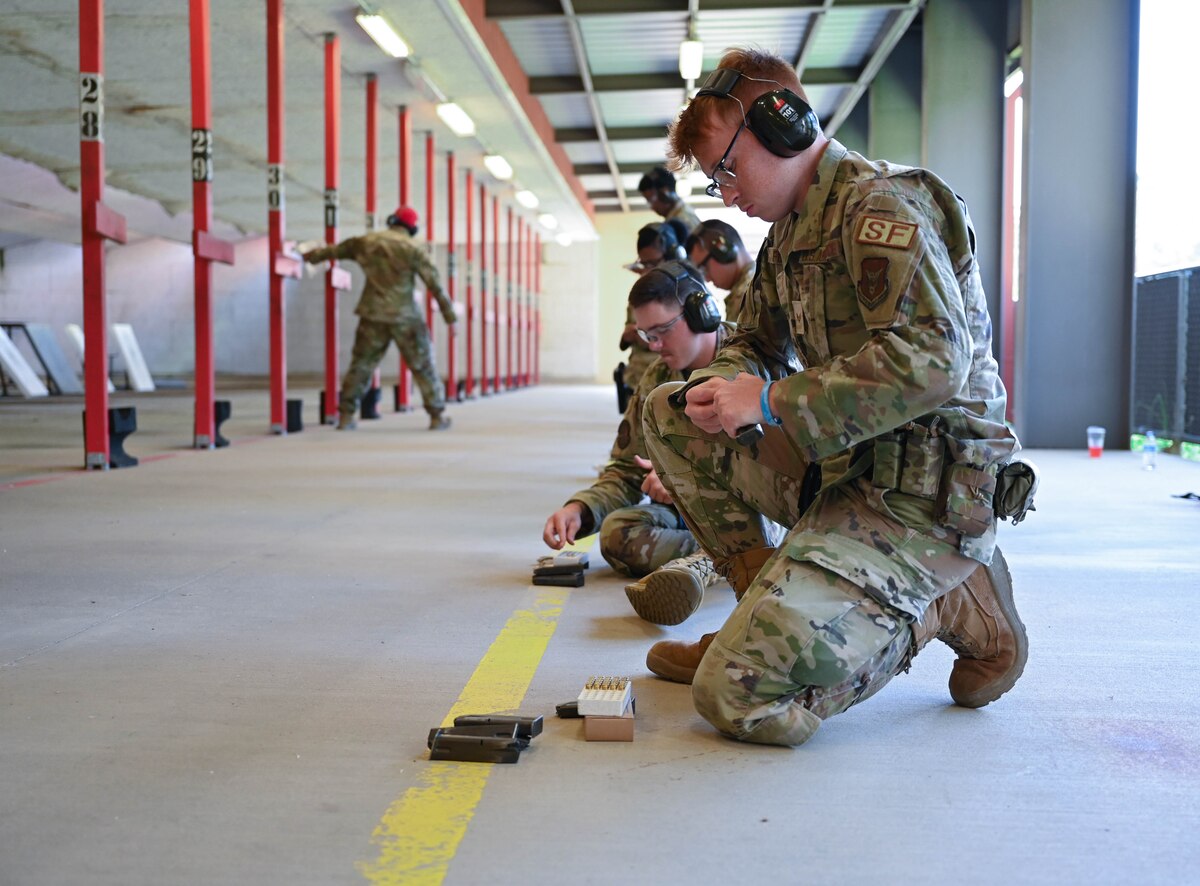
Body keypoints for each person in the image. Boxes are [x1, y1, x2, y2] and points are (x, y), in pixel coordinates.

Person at [639, 47, 1029, 747]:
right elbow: (750, 341)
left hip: (926, 497)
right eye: (713, 179)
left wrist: (771, 401)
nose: (725, 194)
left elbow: (936, 360)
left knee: (738, 699)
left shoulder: (880, 207)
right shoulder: (790, 235)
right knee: (670, 411)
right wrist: (718, 387)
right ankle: (758, 608)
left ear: (782, 124)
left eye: (727, 167)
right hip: (847, 470)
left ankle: (947, 601)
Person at [544, 261, 735, 625]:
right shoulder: (659, 377)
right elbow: (626, 467)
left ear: (700, 312)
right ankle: (722, 558)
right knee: (618, 532)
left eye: (662, 330)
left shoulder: (754, 360)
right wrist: (580, 509)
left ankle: (733, 555)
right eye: (646, 335)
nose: (655, 344)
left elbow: (786, 466)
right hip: (696, 518)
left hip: (763, 512)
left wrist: (687, 483)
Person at [302, 207, 455, 431]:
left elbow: (333, 252)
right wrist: (450, 317)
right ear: (412, 227)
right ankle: (436, 416)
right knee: (423, 366)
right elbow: (435, 284)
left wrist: (308, 256)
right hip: (405, 316)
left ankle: (346, 416)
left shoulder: (366, 242)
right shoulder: (414, 248)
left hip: (372, 314)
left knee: (362, 365)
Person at [617, 222, 689, 398]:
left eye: (653, 262)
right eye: (644, 263)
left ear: (673, 256)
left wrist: (643, 337)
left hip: (667, 385)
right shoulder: (643, 291)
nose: (648, 269)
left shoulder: (685, 292)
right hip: (638, 380)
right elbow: (629, 331)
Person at [686, 219, 756, 322]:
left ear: (723, 251)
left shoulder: (751, 294)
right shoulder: (746, 290)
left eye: (705, 267)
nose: (707, 278)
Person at [639, 165, 702, 233]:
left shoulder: (682, 221)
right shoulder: (682, 214)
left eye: (651, 200)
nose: (652, 207)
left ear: (665, 193)